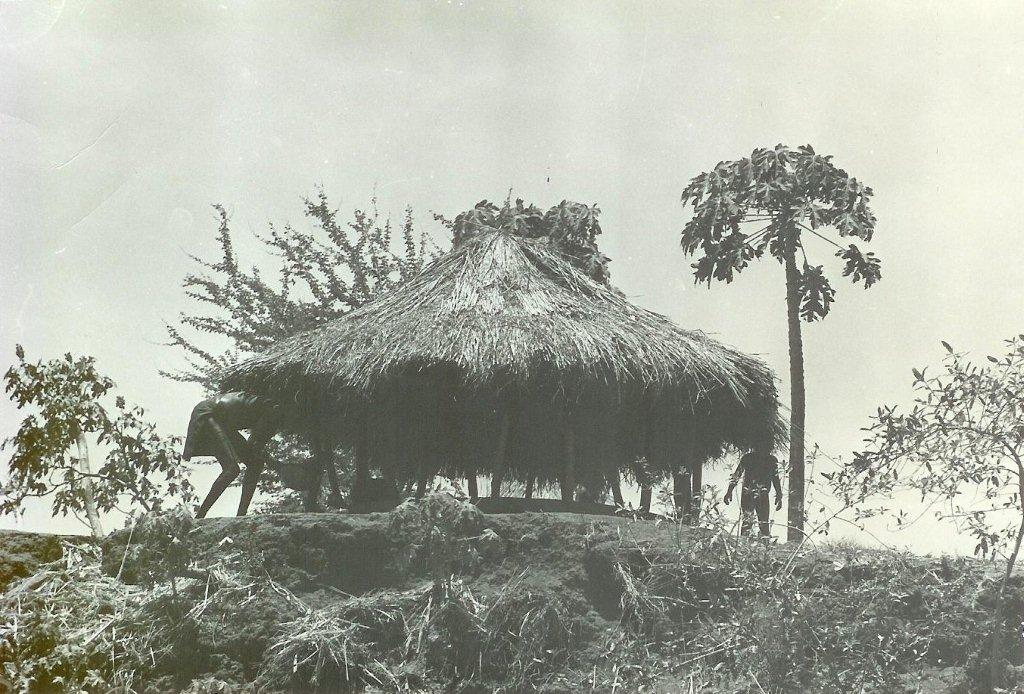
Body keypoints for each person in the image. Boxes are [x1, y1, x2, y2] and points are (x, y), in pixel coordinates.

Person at [183, 391, 279, 518]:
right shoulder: (269, 408)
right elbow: (255, 442)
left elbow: (254, 446)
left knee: (255, 464)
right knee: (232, 469)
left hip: (224, 423)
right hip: (209, 414)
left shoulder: (271, 416)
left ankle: (241, 516)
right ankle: (200, 516)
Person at [723, 447, 783, 538]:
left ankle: (763, 546)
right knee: (748, 522)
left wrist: (779, 495)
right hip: (748, 494)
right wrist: (729, 491)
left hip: (762, 494)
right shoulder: (748, 458)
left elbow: (775, 479)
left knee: (763, 523)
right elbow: (737, 475)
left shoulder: (771, 460)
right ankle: (745, 545)